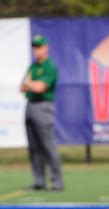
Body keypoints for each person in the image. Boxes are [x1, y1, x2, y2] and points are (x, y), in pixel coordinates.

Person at [20, 35, 64, 191]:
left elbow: (40, 88)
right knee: (34, 147)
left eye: (39, 46)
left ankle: (57, 181)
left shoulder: (49, 66)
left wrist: (30, 83)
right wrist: (31, 84)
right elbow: (22, 86)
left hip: (43, 106)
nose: (36, 50)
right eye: (34, 46)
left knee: (47, 145)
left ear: (46, 47)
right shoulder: (33, 66)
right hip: (30, 105)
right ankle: (39, 180)